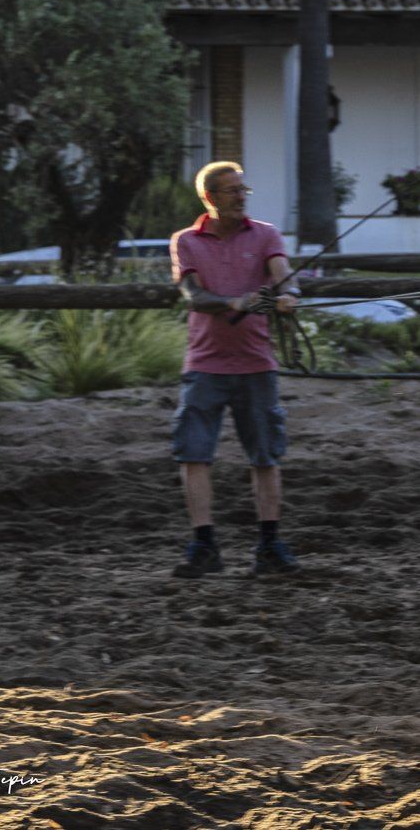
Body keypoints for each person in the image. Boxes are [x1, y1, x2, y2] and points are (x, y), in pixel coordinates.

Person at [168, 160, 302, 578]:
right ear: (210, 198)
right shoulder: (187, 241)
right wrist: (235, 302)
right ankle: (203, 544)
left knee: (265, 455)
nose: (241, 197)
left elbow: (282, 277)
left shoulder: (266, 235)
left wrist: (288, 295)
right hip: (205, 364)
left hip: (256, 363)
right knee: (194, 454)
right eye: (232, 191)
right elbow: (192, 295)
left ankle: (269, 543)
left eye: (244, 190)